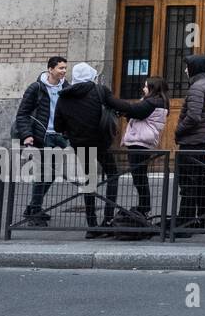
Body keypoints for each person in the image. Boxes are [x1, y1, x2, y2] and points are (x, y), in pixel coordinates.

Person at [53, 62, 159, 238]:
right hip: (101, 143)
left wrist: (72, 131)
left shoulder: (64, 96)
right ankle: (108, 220)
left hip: (80, 145)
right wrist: (146, 106)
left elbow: (58, 125)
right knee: (112, 175)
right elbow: (120, 106)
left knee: (89, 182)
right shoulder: (99, 91)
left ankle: (92, 225)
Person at [13, 55, 70, 226]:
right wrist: (27, 135)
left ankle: (32, 207)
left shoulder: (66, 87)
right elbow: (22, 114)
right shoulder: (36, 88)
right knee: (42, 173)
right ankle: (35, 213)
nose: (64, 71)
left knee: (53, 173)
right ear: (50, 69)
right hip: (42, 136)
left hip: (60, 136)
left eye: (65, 68)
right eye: (61, 68)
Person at [174, 54, 205, 233]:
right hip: (202, 140)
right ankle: (202, 219)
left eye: (187, 66)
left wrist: (178, 130)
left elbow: (193, 116)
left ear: (195, 67)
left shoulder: (196, 88)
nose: (185, 70)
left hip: (192, 141)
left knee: (188, 183)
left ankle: (185, 222)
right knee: (200, 181)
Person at [119, 76, 170, 226]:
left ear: (153, 88)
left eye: (146, 86)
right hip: (141, 142)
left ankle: (144, 208)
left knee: (139, 177)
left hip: (140, 143)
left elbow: (135, 111)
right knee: (140, 177)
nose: (143, 88)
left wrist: (118, 105)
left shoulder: (153, 103)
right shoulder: (154, 102)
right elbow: (134, 112)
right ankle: (144, 207)